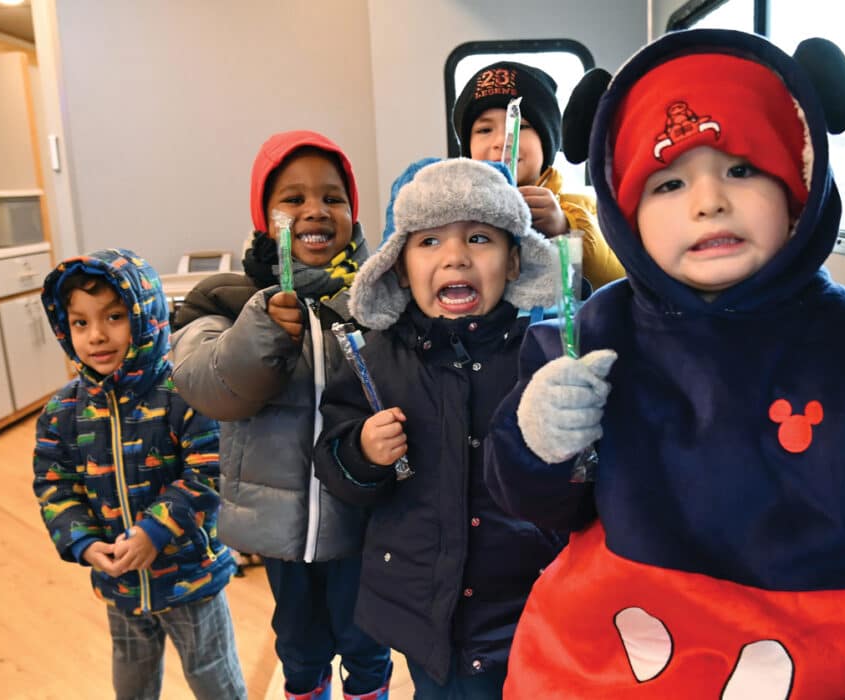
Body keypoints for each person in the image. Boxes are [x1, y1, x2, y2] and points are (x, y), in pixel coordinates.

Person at [484, 29, 845, 697]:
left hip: (806, 659)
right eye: (669, 181)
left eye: (741, 169)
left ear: (798, 189)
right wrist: (537, 444)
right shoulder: (591, 330)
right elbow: (529, 503)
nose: (709, 201)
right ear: (626, 210)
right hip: (606, 661)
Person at [313, 157, 563, 698]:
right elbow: (332, 460)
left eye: (478, 238)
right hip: (421, 609)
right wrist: (360, 452)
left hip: (531, 602)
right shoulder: (374, 360)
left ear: (515, 261)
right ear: (399, 267)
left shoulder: (543, 357)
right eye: (428, 242)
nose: (454, 257)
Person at [170, 130, 392, 700]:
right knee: (299, 647)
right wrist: (262, 332)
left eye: (333, 196)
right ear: (265, 215)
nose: (315, 209)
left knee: (368, 645)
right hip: (278, 528)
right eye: (292, 198)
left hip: (366, 520)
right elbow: (207, 384)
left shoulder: (383, 296)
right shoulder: (224, 296)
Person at [33, 248, 245, 699]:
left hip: (191, 578)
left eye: (114, 317)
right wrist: (84, 544)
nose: (96, 336)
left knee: (214, 677)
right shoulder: (62, 413)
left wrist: (155, 530)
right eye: (80, 323)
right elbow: (55, 486)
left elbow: (209, 471)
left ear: (144, 315)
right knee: (131, 682)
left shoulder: (183, 392)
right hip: (121, 585)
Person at [453, 60, 625, 289]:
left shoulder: (585, 209)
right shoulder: (454, 214)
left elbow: (613, 279)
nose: (503, 142)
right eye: (485, 130)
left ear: (547, 143)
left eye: (520, 127)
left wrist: (564, 230)